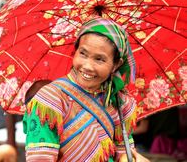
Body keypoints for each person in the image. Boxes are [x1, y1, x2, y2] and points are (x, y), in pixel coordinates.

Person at [23, 17, 149, 161]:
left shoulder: (119, 103)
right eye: (83, 53)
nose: (88, 66)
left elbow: (123, 152)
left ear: (116, 64)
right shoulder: (51, 99)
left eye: (99, 59)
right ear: (75, 51)